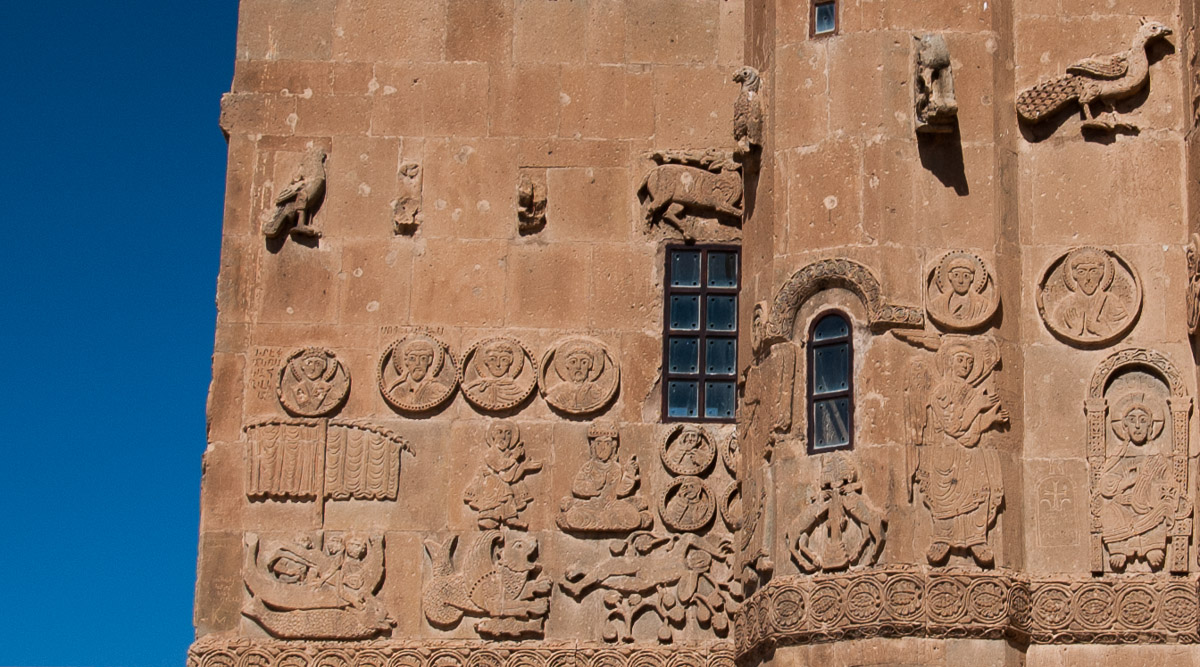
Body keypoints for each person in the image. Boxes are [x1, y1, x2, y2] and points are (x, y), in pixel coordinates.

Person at [915, 340, 1007, 566]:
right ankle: (942, 538)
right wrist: (978, 406)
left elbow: (974, 427)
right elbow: (954, 426)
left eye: (970, 362)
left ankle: (977, 539)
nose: (965, 365)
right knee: (945, 495)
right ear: (948, 362)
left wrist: (991, 417)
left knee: (978, 490)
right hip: (947, 453)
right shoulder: (941, 392)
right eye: (960, 360)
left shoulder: (974, 392)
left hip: (971, 452)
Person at [1099, 395, 1177, 571]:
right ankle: (1119, 548)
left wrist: (1155, 489)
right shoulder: (1119, 454)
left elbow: (1168, 483)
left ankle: (1152, 546)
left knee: (1161, 511)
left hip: (1148, 507)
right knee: (1110, 510)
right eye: (1132, 421)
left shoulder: (1156, 456)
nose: (1137, 426)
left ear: (1150, 426)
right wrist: (1126, 482)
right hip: (1123, 505)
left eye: (1143, 421)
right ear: (1124, 426)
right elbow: (1106, 484)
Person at [558, 422, 651, 533]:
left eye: (607, 444)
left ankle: (603, 521)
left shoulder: (616, 468)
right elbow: (577, 487)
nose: (603, 448)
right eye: (599, 443)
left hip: (612, 505)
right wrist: (594, 486)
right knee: (575, 514)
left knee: (631, 516)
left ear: (613, 447)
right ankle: (603, 521)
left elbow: (620, 491)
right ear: (593, 446)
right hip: (592, 505)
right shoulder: (588, 467)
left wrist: (629, 474)